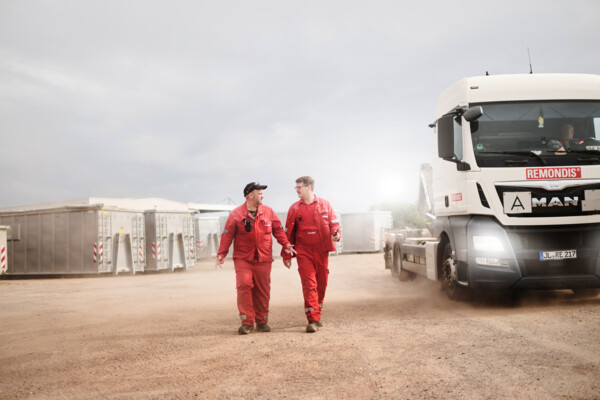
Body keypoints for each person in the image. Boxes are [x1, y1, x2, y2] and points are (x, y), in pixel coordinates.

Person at [216, 182, 296, 335]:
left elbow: (278, 231)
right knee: (244, 285)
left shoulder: (268, 212)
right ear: (250, 195)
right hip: (243, 258)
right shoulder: (236, 214)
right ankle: (247, 322)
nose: (262, 195)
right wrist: (221, 254)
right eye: (260, 193)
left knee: (263, 289)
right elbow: (227, 235)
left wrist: (285, 244)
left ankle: (262, 321)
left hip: (264, 258)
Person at [282, 176, 341, 333]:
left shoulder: (325, 204)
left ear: (309, 187)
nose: (297, 190)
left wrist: (336, 233)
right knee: (309, 284)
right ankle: (312, 319)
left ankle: (317, 312)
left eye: (299, 187)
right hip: (303, 251)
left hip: (322, 250)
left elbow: (334, 223)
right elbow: (287, 233)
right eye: (296, 187)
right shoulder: (294, 208)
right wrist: (286, 255)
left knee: (321, 283)